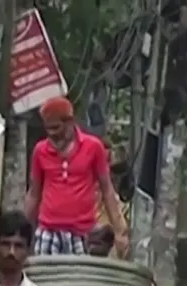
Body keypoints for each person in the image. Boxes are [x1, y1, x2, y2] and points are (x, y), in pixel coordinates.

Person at [26, 97, 128, 257]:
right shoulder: (40, 151)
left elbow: (107, 190)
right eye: (48, 129)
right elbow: (34, 193)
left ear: (70, 123)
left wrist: (119, 231)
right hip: (48, 231)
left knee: (80, 273)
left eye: (56, 128)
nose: (52, 135)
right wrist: (23, 231)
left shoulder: (93, 147)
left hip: (82, 233)